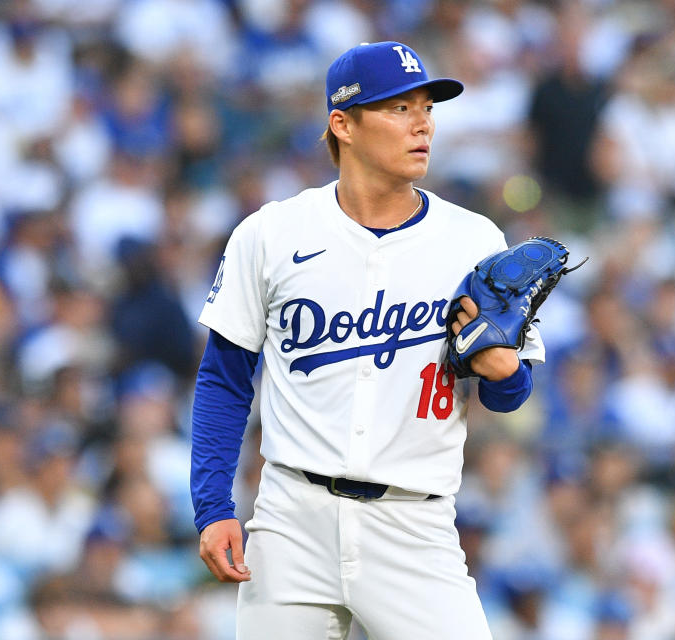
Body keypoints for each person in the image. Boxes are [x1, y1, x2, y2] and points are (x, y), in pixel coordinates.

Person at [190, 41, 545, 639]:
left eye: (426, 107)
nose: (423, 123)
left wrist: (506, 374)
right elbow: (224, 379)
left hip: (414, 524)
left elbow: (510, 395)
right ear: (343, 124)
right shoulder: (273, 233)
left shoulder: (474, 239)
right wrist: (213, 506)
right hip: (291, 520)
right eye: (398, 109)